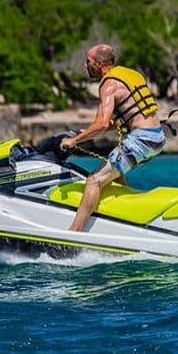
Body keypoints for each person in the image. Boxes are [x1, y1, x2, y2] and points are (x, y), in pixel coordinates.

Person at [60, 44, 166, 231]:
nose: (85, 66)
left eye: (88, 62)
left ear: (99, 63)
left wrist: (74, 141)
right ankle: (124, 219)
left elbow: (101, 123)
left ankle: (73, 235)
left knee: (94, 179)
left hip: (141, 139)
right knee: (115, 175)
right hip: (156, 136)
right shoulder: (130, 74)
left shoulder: (108, 85)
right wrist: (86, 132)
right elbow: (124, 117)